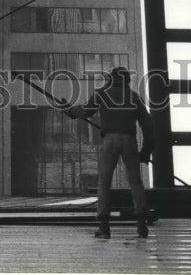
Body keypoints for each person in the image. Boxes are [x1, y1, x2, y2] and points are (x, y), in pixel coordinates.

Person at [66, 66, 154, 239]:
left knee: (104, 182)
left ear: (111, 79)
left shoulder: (102, 94)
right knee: (136, 182)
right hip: (129, 141)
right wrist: (146, 151)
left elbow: (85, 111)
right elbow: (149, 127)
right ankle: (142, 224)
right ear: (127, 81)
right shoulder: (134, 98)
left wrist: (70, 111)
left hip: (110, 141)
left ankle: (104, 227)